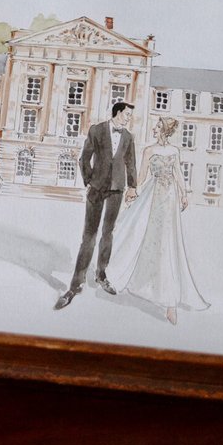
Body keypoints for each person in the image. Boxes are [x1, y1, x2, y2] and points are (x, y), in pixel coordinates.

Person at [107, 116, 209, 324]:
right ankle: (151, 289)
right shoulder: (149, 151)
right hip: (153, 198)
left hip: (169, 198)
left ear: (164, 130)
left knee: (169, 243)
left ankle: (169, 300)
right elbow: (142, 176)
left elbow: (178, 172)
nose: (154, 128)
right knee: (148, 238)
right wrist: (132, 189)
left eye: (157, 126)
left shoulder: (174, 151)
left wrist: (183, 193)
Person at [55, 101, 137, 310]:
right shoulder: (97, 130)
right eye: (127, 114)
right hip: (97, 188)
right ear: (118, 112)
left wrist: (133, 186)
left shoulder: (128, 137)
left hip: (117, 189)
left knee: (108, 234)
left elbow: (131, 163)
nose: (129, 118)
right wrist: (89, 181)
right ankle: (75, 284)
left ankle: (101, 274)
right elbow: (85, 158)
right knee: (89, 236)